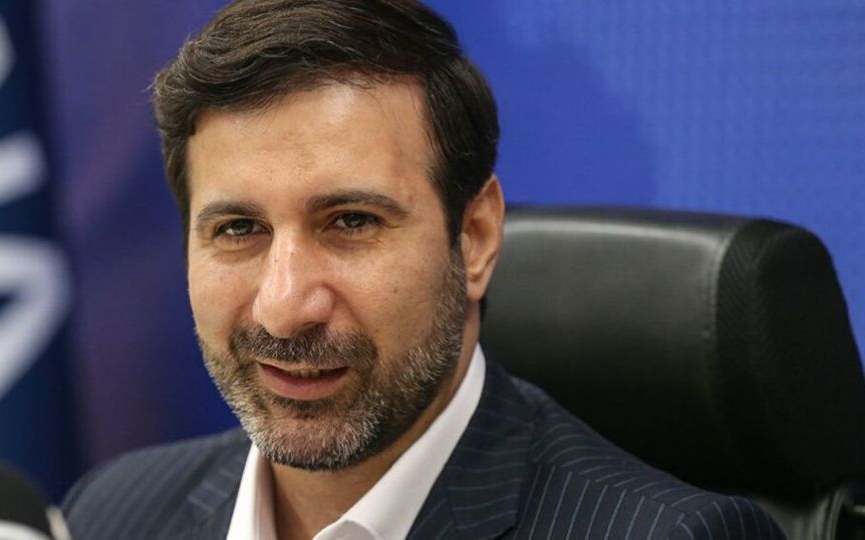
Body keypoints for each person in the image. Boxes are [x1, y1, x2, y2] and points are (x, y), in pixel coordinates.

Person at [63, 1, 786, 538]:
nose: (284, 307)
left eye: (351, 222)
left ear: (475, 238)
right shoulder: (113, 513)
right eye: (238, 229)